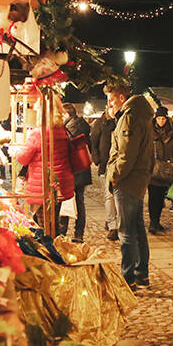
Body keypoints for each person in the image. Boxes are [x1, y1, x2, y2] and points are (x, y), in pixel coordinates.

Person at [105, 83, 154, 290]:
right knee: (137, 227)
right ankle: (141, 274)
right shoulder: (140, 114)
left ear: (122, 97)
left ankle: (128, 278)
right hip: (138, 178)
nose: (109, 104)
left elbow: (126, 154)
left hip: (128, 180)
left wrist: (115, 176)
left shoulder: (129, 116)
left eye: (111, 99)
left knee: (126, 231)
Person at [15, 98, 74, 229]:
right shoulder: (62, 130)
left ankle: (50, 247)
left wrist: (15, 151)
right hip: (59, 184)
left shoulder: (37, 134)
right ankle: (57, 244)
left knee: (44, 226)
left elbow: (22, 158)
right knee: (53, 222)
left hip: (42, 185)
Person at [59, 103, 92, 243]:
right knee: (79, 201)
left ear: (66, 114)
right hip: (82, 171)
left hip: (74, 170)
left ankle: (64, 231)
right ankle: (78, 233)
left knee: (68, 199)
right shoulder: (82, 125)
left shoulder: (70, 128)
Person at [148, 106, 173, 234]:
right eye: (159, 118)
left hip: (166, 170)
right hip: (153, 169)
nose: (161, 121)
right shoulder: (150, 133)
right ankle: (152, 222)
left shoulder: (172, 134)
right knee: (153, 196)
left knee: (161, 197)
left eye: (163, 119)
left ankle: (156, 221)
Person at [90, 103, 119, 240]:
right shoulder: (100, 123)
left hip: (120, 165)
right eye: (111, 107)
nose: (113, 110)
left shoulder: (122, 121)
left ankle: (114, 221)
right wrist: (97, 160)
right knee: (109, 196)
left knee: (118, 196)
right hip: (106, 164)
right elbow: (93, 143)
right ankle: (113, 225)